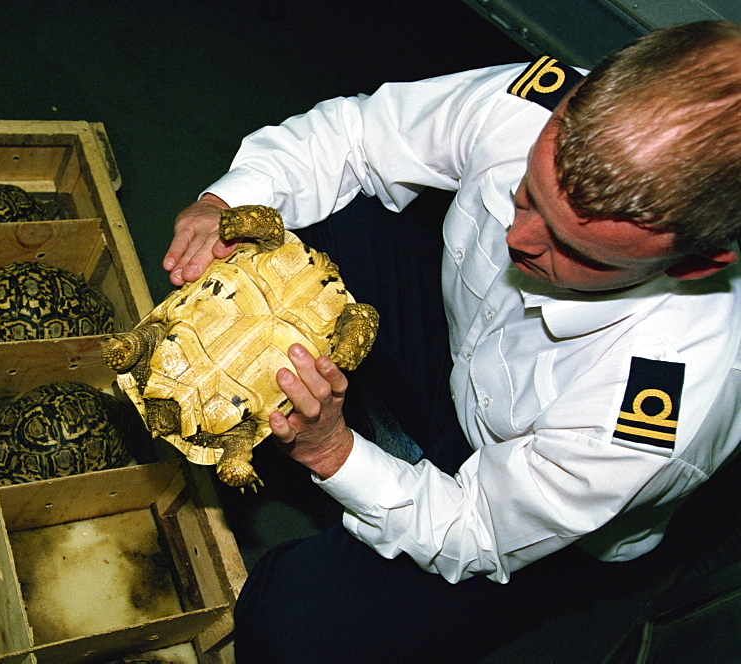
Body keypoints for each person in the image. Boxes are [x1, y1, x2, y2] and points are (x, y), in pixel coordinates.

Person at [165, 20, 741, 661]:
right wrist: (227, 203)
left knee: (290, 628)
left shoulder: (657, 410)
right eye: (528, 193)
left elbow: (477, 529)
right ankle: (358, 440)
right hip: (463, 354)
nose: (518, 242)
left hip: (525, 509)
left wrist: (333, 451)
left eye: (579, 253)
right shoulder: (542, 104)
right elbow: (359, 137)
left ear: (693, 264)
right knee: (300, 213)